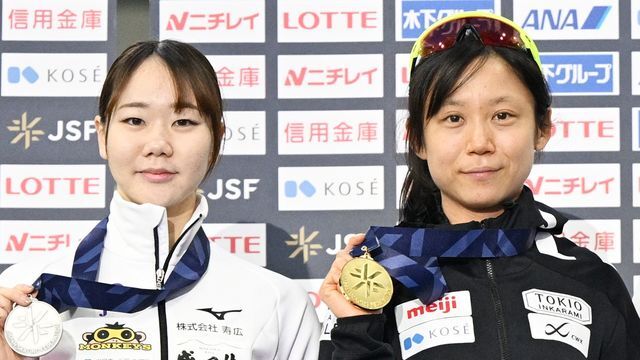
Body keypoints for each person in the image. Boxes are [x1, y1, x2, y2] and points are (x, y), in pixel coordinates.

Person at [319, 11, 640, 360]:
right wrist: (357, 330)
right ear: (418, 139)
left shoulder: (592, 279)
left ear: (542, 128)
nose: (480, 142)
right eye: (453, 118)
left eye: (502, 116)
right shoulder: (380, 277)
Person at [0, 40, 319, 360]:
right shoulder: (25, 294)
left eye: (184, 122)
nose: (158, 144)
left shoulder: (278, 305)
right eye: (135, 120)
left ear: (218, 138)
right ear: (102, 135)